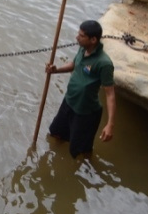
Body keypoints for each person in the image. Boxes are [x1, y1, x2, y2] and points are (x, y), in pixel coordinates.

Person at [45, 19, 116, 158]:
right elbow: (74, 64)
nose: (77, 37)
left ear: (93, 39)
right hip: (69, 102)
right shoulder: (83, 49)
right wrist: (56, 70)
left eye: (82, 35)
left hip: (85, 113)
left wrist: (110, 125)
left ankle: (86, 169)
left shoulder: (104, 63)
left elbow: (110, 95)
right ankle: (53, 157)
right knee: (56, 134)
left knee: (79, 151)